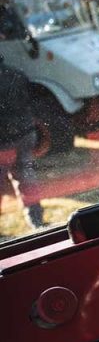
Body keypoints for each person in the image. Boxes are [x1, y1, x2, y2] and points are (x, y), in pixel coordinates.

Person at [0, 56, 44, 230]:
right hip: (25, 133)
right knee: (26, 175)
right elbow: (32, 100)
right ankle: (36, 221)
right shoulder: (17, 73)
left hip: (3, 139)